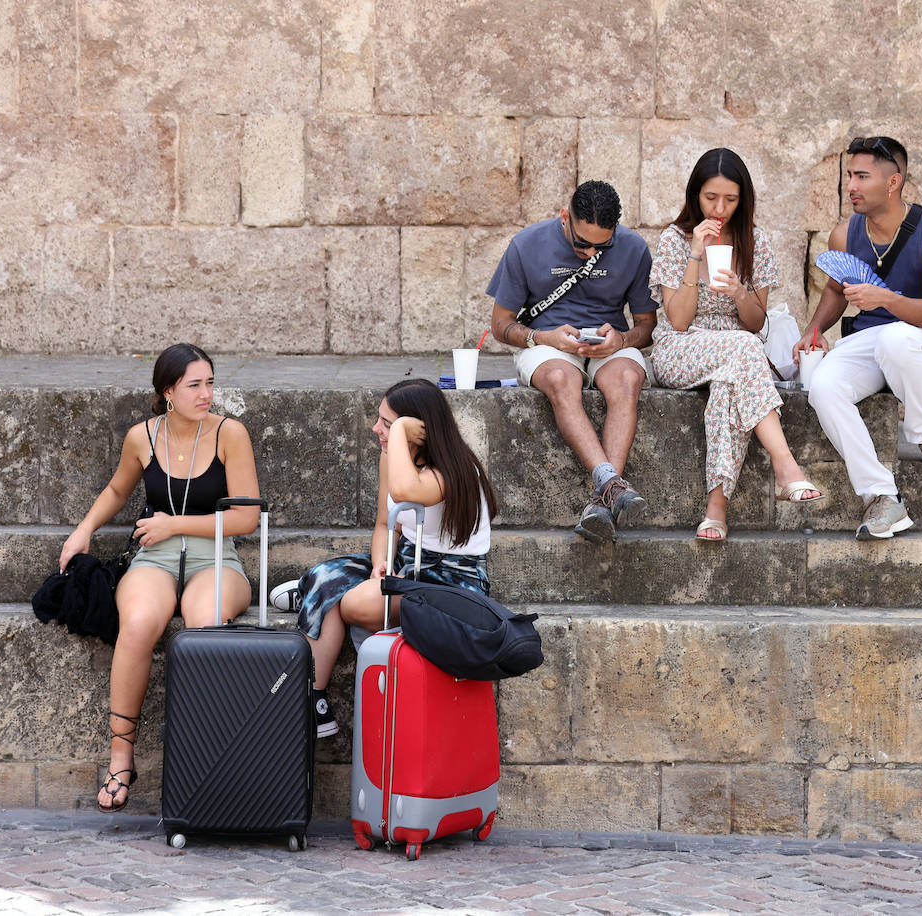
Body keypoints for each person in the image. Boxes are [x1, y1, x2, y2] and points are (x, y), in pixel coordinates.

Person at [58, 343, 260, 812]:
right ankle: (121, 757)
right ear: (168, 391)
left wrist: (175, 523)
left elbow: (247, 519)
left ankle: (206, 758)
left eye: (210, 382)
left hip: (215, 554)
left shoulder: (231, 434)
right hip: (155, 555)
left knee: (204, 621)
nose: (207, 393)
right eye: (195, 385)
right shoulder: (142, 437)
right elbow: (116, 489)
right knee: (140, 623)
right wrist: (84, 531)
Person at [269, 378, 498, 739]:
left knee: (350, 602)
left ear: (420, 431)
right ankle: (315, 705)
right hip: (407, 563)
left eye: (388, 424)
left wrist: (403, 430)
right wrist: (381, 565)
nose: (377, 429)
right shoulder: (390, 454)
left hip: (452, 582)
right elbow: (384, 524)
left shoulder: (452, 472)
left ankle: (317, 595)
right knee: (325, 576)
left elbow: (406, 490)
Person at [793, 136, 922, 540]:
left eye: (862, 176)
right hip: (869, 341)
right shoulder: (844, 234)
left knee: (895, 340)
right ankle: (882, 496)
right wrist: (813, 331)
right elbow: (836, 291)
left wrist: (885, 298)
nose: (851, 185)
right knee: (823, 386)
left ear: (892, 183)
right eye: (849, 175)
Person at [649, 148, 824, 540]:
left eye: (730, 199)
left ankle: (716, 508)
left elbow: (757, 321)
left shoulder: (753, 242)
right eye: (711, 198)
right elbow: (677, 320)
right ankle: (785, 465)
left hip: (733, 349)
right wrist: (696, 254)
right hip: (681, 348)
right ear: (696, 194)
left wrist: (741, 293)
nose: (720, 208)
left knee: (732, 379)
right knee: (743, 350)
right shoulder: (675, 240)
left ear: (743, 199)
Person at [487, 180, 660, 544]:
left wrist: (622, 339)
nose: (590, 251)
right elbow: (501, 325)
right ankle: (612, 485)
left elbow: (647, 326)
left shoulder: (633, 248)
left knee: (628, 378)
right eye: (582, 243)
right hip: (546, 342)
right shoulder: (526, 245)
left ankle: (601, 499)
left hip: (608, 342)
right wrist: (542, 337)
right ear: (565, 217)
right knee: (562, 382)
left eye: (602, 245)